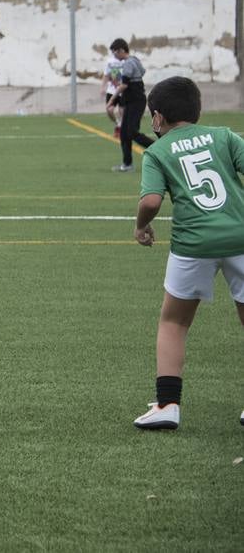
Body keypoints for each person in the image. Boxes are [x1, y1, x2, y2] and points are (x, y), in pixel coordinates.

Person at [130, 76, 244, 430]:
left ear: (158, 118)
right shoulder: (224, 136)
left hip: (192, 244)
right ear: (198, 110)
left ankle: (168, 405)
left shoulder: (158, 151)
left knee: (174, 321)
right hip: (240, 237)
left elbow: (151, 201)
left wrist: (140, 226)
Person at [109, 38, 157, 172]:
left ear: (121, 50)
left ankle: (158, 149)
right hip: (134, 101)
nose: (115, 56)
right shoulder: (134, 60)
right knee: (124, 133)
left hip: (136, 102)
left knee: (131, 132)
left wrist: (112, 99)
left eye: (115, 53)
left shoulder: (128, 64)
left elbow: (124, 85)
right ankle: (127, 164)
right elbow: (142, 72)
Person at [103, 49, 124, 140]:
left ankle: (120, 129)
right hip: (112, 90)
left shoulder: (126, 60)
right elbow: (106, 74)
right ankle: (118, 124)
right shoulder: (110, 61)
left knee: (122, 111)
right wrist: (103, 87)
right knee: (109, 109)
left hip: (123, 90)